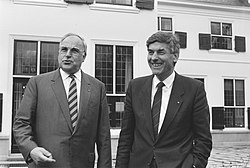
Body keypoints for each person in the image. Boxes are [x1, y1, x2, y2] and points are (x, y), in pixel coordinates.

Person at [13, 33, 112, 168]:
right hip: (47, 165)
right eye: (64, 50)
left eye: (74, 51)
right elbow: (21, 124)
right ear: (59, 53)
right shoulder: (37, 83)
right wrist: (31, 150)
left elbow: (104, 136)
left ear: (84, 56)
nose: (68, 55)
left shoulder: (97, 88)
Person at [115, 31, 212, 168]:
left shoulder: (194, 89)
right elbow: (126, 136)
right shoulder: (135, 87)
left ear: (175, 56)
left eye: (160, 52)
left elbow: (203, 138)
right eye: (150, 52)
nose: (154, 58)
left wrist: (195, 165)